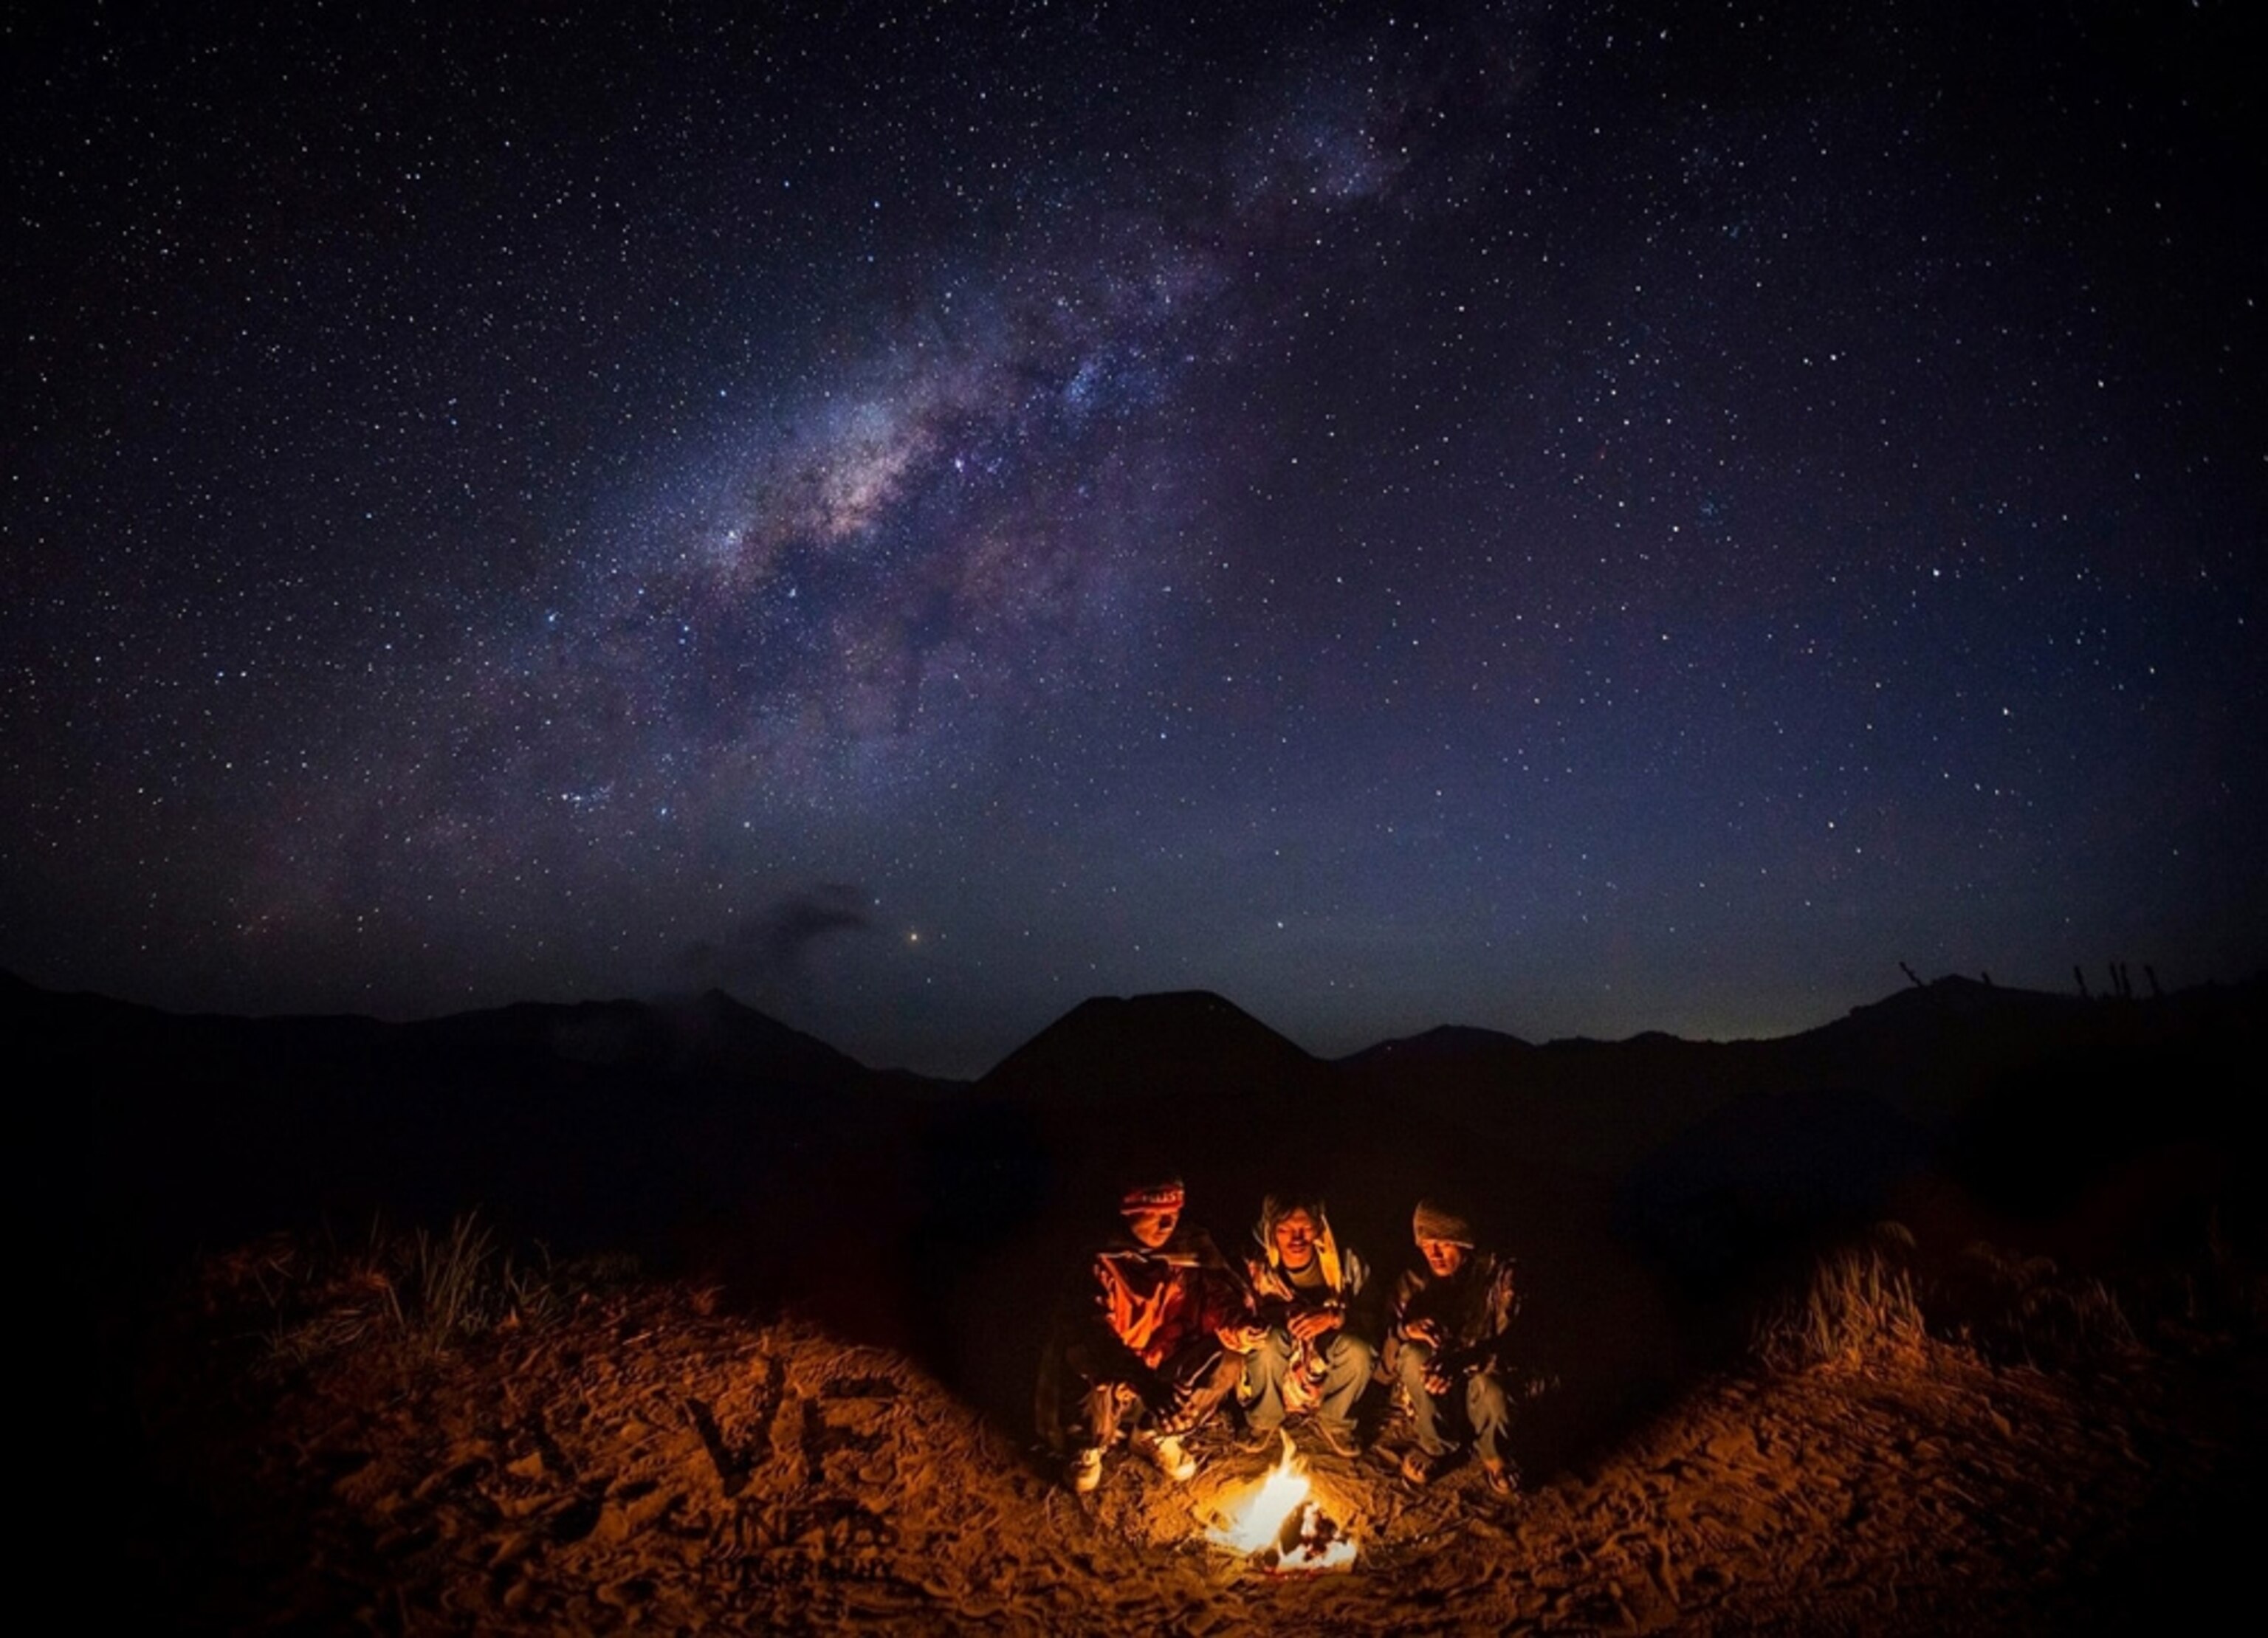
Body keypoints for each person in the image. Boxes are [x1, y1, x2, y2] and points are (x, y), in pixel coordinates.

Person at [1035, 1174, 1264, 1495]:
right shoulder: (1100, 1261)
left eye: (1174, 1213)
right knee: (1082, 1358)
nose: (1168, 1222)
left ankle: (1154, 1433)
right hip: (1120, 1377)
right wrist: (1144, 1382)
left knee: (1228, 1355)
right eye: (1155, 1214)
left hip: (1165, 1371)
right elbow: (1096, 1334)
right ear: (1129, 1213)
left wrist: (1240, 1323)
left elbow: (1218, 1298)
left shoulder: (1189, 1251)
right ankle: (1089, 1443)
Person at [1388, 1198, 1521, 1497]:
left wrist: (1464, 1362)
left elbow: (1517, 1346)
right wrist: (1404, 1330)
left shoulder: (1501, 1276)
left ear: (1465, 1242)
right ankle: (1436, 1444)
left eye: (1444, 1243)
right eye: (1426, 1243)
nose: (1434, 1253)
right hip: (1439, 1390)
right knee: (1412, 1354)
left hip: (1485, 1378)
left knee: (1492, 1387)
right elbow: (1385, 1348)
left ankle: (1493, 1453)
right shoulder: (1415, 1280)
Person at [1239, 1194, 1376, 1456]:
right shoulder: (1258, 1265)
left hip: (1328, 1351)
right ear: (1270, 1232)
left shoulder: (1346, 1262)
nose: (1296, 1239)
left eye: (1305, 1228)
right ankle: (1263, 1419)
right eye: (1284, 1230)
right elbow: (1236, 1312)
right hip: (1283, 1349)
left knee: (1358, 1350)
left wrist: (1334, 1318)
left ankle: (1336, 1420)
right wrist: (1273, 1320)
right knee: (1265, 1343)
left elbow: (1373, 1316)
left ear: (1319, 1226)